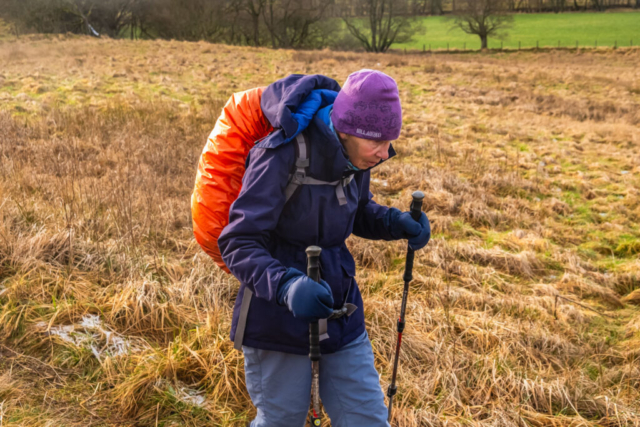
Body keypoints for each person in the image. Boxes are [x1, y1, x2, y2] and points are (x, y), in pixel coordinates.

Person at [217, 69, 431, 427]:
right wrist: (286, 286)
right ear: (345, 128)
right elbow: (238, 242)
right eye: (376, 142)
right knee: (281, 420)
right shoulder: (280, 154)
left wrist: (394, 223)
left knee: (367, 419)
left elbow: (356, 210)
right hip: (276, 316)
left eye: (389, 140)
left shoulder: (357, 157)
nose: (384, 153)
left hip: (340, 306)